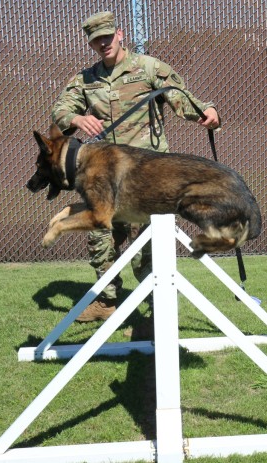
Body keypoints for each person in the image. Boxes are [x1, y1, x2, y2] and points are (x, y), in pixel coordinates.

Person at [51, 11, 220, 323]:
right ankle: (106, 300)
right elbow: (60, 110)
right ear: (91, 44)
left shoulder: (149, 68)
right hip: (106, 179)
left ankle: (159, 307)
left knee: (150, 247)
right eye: (96, 40)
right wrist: (76, 119)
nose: (103, 43)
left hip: (148, 179)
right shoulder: (86, 80)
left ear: (120, 34)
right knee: (100, 238)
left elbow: (181, 98)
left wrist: (206, 113)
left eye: (107, 36)